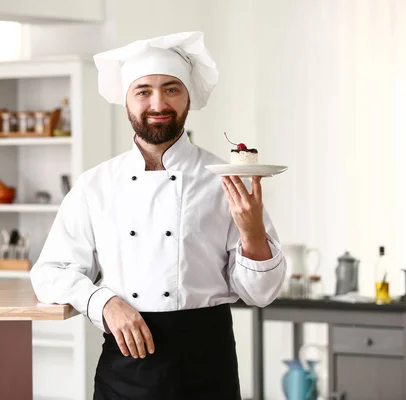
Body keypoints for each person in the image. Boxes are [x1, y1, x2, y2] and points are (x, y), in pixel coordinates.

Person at [30, 31, 287, 400]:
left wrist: (251, 231)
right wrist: (102, 302)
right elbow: (49, 273)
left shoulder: (225, 178)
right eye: (143, 91)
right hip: (126, 366)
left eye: (171, 89)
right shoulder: (96, 185)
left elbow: (261, 293)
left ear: (188, 98)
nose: (158, 103)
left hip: (206, 365)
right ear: (127, 101)